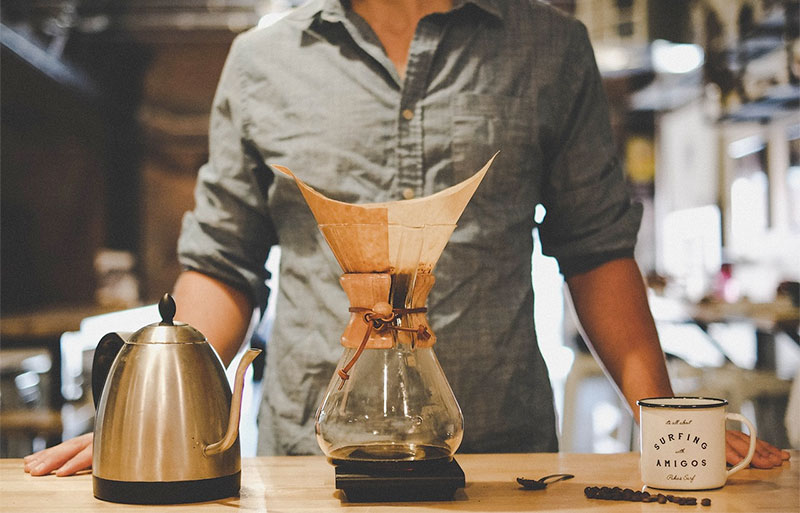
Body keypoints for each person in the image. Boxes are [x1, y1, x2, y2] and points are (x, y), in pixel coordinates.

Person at [24, 0, 789, 477]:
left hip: (500, 458)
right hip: (306, 462)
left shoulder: (551, 50)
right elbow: (224, 262)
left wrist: (669, 419)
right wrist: (155, 415)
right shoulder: (262, 63)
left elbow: (595, 247)